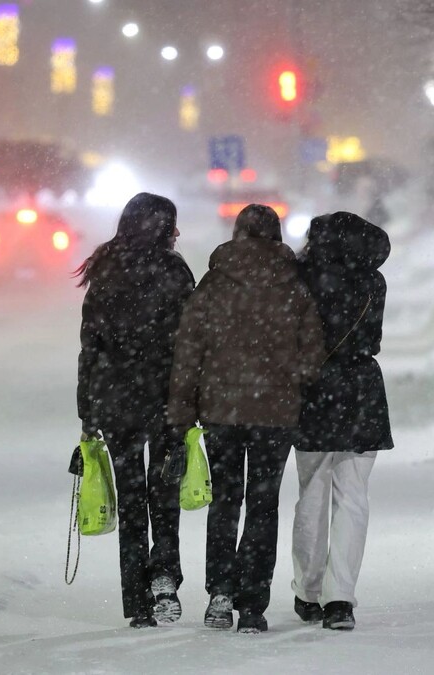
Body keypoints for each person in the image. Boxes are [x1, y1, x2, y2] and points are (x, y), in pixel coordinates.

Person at [167, 204, 325, 634]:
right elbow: (313, 354)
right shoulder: (294, 287)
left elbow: (188, 350)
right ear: (275, 236)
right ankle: (253, 605)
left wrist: (183, 407)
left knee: (225, 501)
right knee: (263, 504)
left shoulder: (214, 284)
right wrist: (288, 379)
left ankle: (220, 593)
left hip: (222, 410)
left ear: (237, 233)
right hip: (275, 414)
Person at [76, 193, 195, 629]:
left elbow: (91, 343)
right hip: (165, 397)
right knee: (164, 496)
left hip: (117, 401)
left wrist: (86, 408)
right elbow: (191, 341)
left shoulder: (105, 269)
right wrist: (192, 397)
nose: (177, 233)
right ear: (162, 228)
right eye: (172, 225)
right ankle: (164, 576)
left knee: (130, 502)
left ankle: (138, 602)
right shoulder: (174, 271)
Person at [291, 212, 393, 631]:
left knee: (311, 492)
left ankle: (308, 592)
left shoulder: (302, 279)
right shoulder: (372, 280)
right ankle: (340, 600)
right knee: (353, 497)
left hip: (313, 389)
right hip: (362, 390)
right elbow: (373, 338)